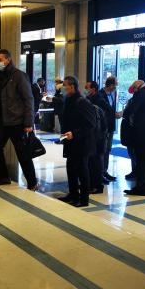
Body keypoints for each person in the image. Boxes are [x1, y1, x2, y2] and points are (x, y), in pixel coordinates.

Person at [0, 49, 39, 191]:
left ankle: (32, 182)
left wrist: (28, 122)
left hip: (17, 122)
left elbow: (28, 99)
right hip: (3, 122)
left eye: (0, 59)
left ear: (8, 60)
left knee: (22, 153)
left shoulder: (19, 76)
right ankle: (3, 177)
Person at [58, 76, 97, 207]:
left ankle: (84, 199)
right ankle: (73, 194)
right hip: (71, 142)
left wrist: (74, 133)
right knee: (71, 169)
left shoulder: (82, 102)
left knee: (82, 170)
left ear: (72, 86)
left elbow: (91, 124)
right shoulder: (68, 100)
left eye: (64, 85)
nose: (62, 87)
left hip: (82, 143)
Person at [84, 80, 111, 194]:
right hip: (94, 134)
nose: (86, 89)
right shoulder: (89, 99)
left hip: (98, 135)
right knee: (93, 160)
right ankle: (93, 183)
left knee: (96, 160)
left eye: (87, 87)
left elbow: (109, 111)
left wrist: (105, 130)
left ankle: (97, 184)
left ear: (93, 89)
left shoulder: (99, 100)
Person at [98, 76, 122, 182]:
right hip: (103, 126)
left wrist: (115, 114)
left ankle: (105, 171)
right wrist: (115, 113)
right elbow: (104, 109)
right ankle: (100, 173)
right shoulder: (100, 94)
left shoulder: (113, 94)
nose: (116, 87)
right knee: (102, 150)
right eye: (115, 85)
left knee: (108, 149)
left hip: (111, 126)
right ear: (111, 85)